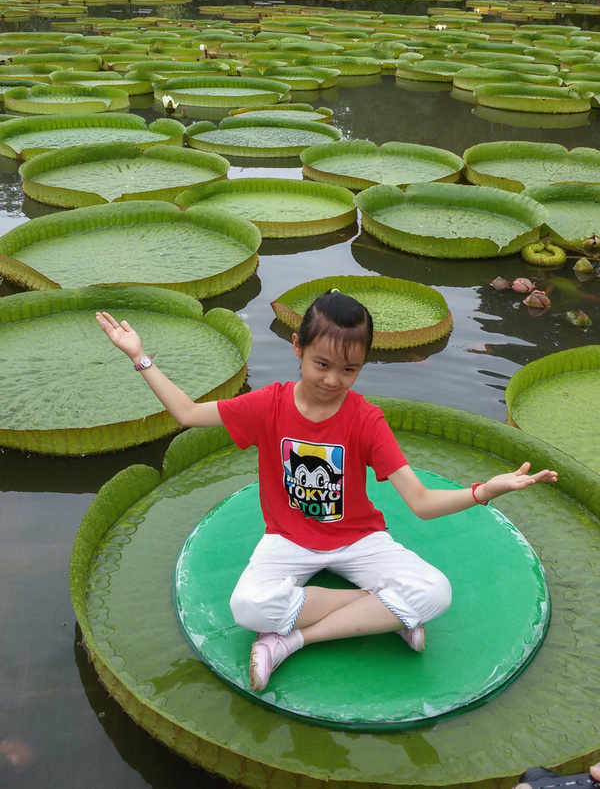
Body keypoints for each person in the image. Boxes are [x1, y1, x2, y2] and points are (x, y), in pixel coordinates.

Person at [96, 290, 558, 693]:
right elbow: (186, 413)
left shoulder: (365, 420)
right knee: (245, 606)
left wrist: (484, 490)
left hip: (358, 540)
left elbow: (420, 502)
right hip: (287, 540)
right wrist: (139, 355)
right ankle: (387, 614)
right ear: (297, 347)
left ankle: (292, 640)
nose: (333, 380)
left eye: (349, 369)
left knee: (436, 591)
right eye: (322, 364)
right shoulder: (268, 405)